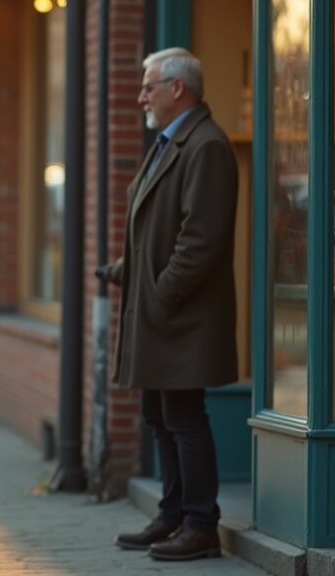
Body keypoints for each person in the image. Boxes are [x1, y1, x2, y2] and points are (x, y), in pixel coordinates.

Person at [100, 47, 238, 561]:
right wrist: (121, 271)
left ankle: (201, 524)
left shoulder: (205, 146)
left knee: (183, 417)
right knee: (160, 416)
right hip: (162, 314)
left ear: (177, 88)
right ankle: (173, 513)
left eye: (148, 86)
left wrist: (159, 295)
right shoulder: (171, 141)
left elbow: (198, 240)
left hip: (180, 316)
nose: (141, 96)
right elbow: (153, 233)